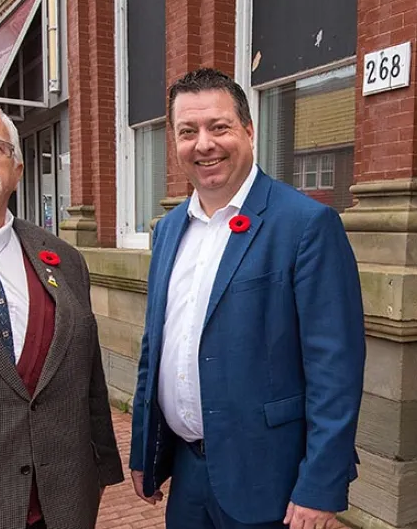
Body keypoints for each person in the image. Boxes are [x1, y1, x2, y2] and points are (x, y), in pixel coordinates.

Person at [129, 68, 366, 529]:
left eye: (219, 127)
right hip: (189, 473)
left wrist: (320, 485)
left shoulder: (305, 225)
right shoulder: (168, 231)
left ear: (249, 131)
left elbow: (335, 370)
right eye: (187, 132)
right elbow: (154, 348)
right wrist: (146, 450)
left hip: (269, 478)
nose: (204, 144)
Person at [0, 98, 124, 529]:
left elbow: (88, 379)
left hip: (61, 507)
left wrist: (101, 468)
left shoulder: (64, 260)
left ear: (17, 171)